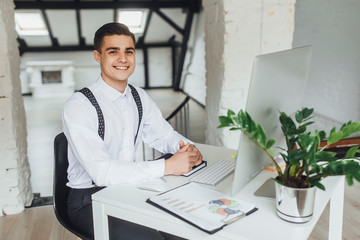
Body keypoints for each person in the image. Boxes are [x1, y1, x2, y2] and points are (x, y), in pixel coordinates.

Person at [62, 22, 203, 240]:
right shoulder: (80, 105)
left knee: (184, 230)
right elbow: (102, 172)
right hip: (88, 201)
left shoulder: (138, 95)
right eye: (113, 51)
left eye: (129, 51)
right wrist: (167, 166)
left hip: (129, 187)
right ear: (98, 56)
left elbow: (163, 134)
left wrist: (186, 148)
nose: (123, 59)